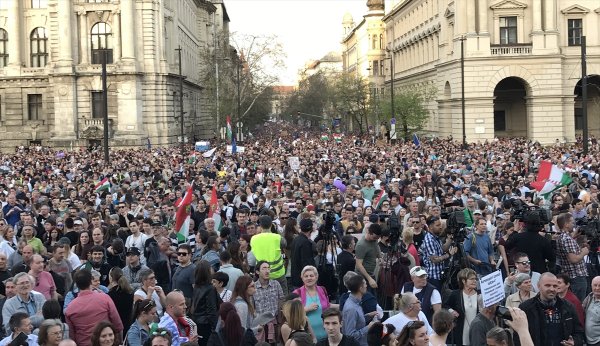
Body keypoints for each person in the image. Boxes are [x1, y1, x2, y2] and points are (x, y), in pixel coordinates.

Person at [517, 272, 584, 346]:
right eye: (547, 285)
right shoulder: (526, 308)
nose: (552, 289)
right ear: (538, 286)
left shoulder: (568, 307)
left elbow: (579, 332)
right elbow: (518, 336)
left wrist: (574, 342)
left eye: (555, 286)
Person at [65, 270, 124, 346]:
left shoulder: (70, 308)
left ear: (76, 284)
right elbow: (118, 324)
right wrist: (120, 342)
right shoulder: (104, 298)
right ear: (90, 281)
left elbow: (71, 335)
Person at [293, 266, 334, 342]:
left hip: (326, 333)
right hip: (307, 336)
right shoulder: (297, 293)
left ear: (316, 277)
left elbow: (328, 306)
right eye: (306, 276)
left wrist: (342, 305)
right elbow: (292, 314)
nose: (309, 278)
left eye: (311, 276)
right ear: (302, 278)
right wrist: (306, 309)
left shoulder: (322, 289)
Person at [555, 213, 589, 302]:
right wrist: (584, 253)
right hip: (577, 276)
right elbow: (573, 259)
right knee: (578, 303)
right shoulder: (567, 239)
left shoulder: (562, 237)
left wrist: (574, 237)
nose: (573, 225)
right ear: (566, 224)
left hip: (570, 275)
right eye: (572, 223)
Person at [250, 215, 288, 293]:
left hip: (261, 274)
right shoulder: (278, 238)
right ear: (271, 225)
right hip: (278, 274)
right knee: (284, 298)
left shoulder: (253, 239)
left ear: (260, 226)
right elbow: (285, 245)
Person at [443, 268, 479, 346]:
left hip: (477, 332)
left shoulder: (480, 294)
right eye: (471, 279)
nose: (475, 281)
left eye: (475, 279)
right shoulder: (456, 294)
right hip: (462, 332)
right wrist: (451, 311)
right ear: (463, 281)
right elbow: (445, 306)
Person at [419, 216, 456, 290]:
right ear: (431, 227)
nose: (440, 227)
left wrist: (450, 239)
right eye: (438, 225)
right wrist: (449, 254)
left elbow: (442, 249)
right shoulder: (429, 240)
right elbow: (435, 260)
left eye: (440, 225)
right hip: (433, 277)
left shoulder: (435, 237)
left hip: (440, 275)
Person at [253, 261, 284, 344]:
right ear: (257, 272)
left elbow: (281, 301)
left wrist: (280, 321)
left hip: (274, 323)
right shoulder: (253, 287)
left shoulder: (276, 284)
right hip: (260, 325)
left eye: (268, 268)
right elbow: (252, 307)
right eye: (264, 268)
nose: (267, 271)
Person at [189, 260, 219, 346]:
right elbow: (211, 310)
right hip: (206, 324)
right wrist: (214, 328)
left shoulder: (196, 287)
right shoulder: (210, 289)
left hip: (196, 321)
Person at [341, 275, 371, 346]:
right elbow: (350, 336)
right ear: (360, 288)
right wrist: (368, 327)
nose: (366, 286)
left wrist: (367, 316)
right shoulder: (351, 308)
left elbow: (356, 320)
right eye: (365, 283)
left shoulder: (355, 303)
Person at [355, 223, 382, 294]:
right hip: (362, 277)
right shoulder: (361, 245)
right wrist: (369, 279)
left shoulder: (374, 239)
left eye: (377, 238)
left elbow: (376, 246)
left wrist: (380, 257)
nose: (376, 239)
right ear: (369, 233)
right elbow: (359, 265)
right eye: (374, 238)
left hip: (371, 274)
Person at [291, 218, 317, 289]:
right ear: (310, 229)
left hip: (295, 277)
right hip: (302, 281)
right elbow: (306, 263)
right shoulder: (305, 242)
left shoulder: (296, 239)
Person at [582, 275, 600, 346]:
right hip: (588, 341)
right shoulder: (589, 297)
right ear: (591, 286)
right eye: (595, 285)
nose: (597, 288)